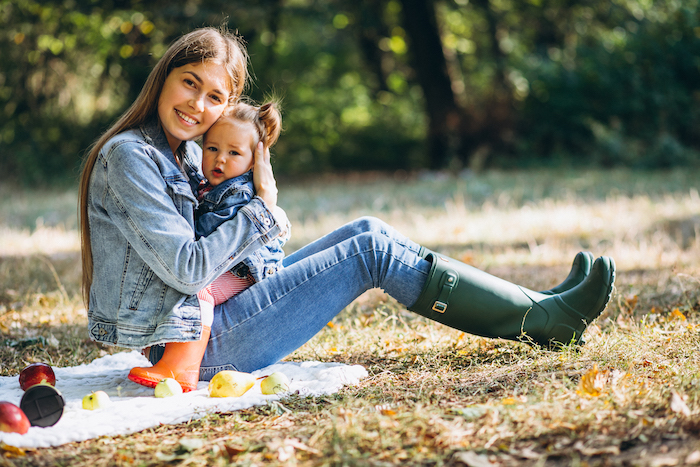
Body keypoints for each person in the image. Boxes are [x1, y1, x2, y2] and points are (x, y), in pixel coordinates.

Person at [78, 26, 616, 394]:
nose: (199, 105)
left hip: (207, 318)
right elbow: (189, 268)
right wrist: (265, 205)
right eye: (189, 84)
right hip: (192, 345)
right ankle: (544, 321)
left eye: (215, 97)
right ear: (165, 76)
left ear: (228, 106)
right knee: (369, 252)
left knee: (368, 229)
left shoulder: (189, 152)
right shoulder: (130, 156)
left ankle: (534, 305)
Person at [128, 100, 290, 391]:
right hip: (233, 263)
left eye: (234, 153)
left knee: (200, 287)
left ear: (254, 162)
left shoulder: (239, 191)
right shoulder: (210, 184)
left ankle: (181, 368)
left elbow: (209, 239)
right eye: (212, 148)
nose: (220, 160)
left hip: (245, 269)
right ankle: (166, 349)